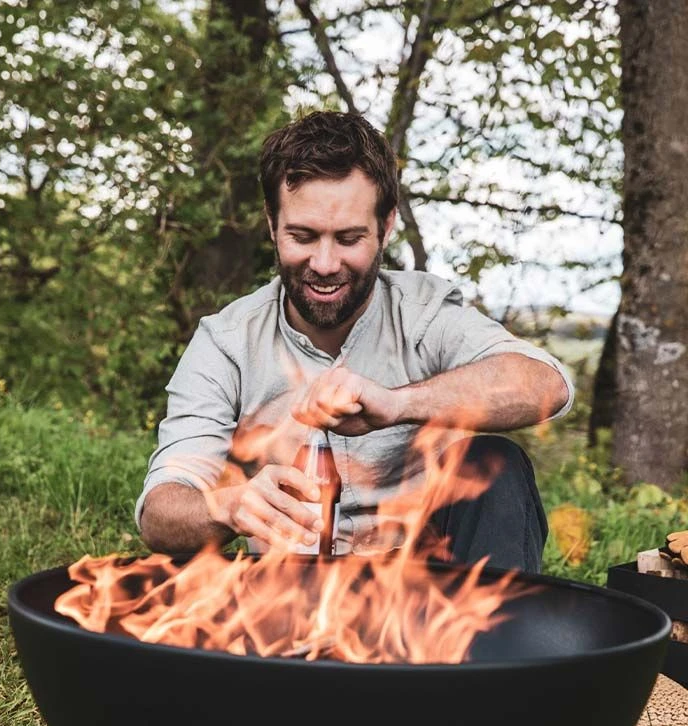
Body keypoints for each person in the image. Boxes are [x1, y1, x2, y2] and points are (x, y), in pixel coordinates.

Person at [135, 110, 573, 573]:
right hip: (288, 593)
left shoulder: (423, 314)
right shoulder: (226, 342)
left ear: (385, 226)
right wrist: (228, 506)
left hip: (431, 598)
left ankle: (501, 644)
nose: (324, 264)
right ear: (271, 225)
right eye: (302, 236)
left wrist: (397, 404)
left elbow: (547, 385)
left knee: (496, 463)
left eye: (348, 238)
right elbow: (160, 513)